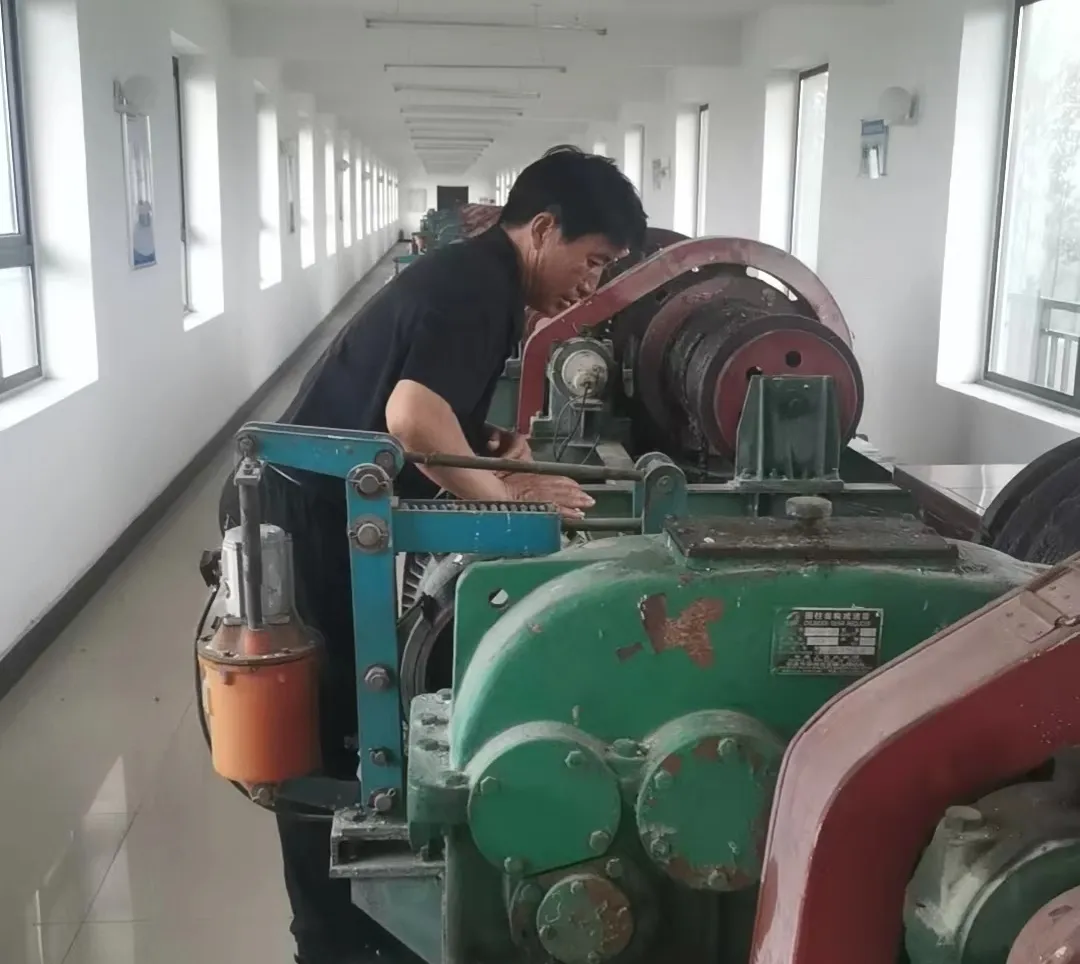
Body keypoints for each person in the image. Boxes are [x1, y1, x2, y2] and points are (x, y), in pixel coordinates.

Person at [216, 147, 647, 964]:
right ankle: (331, 941)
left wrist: (491, 450)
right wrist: (509, 506)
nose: (591, 285)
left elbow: (424, 405)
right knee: (321, 732)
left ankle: (351, 923)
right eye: (592, 261)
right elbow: (412, 417)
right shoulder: (478, 286)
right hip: (300, 516)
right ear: (543, 228)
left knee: (348, 719)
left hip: (319, 505)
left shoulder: (478, 278)